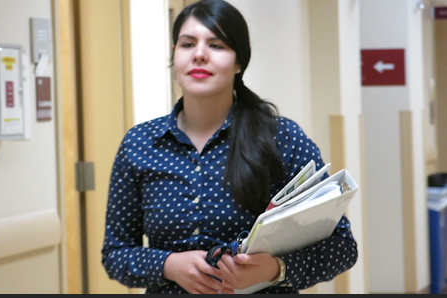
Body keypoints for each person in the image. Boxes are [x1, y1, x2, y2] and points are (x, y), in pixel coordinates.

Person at [101, 0, 358, 294]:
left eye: (217, 45)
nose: (199, 54)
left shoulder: (281, 138)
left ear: (238, 62)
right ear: (174, 54)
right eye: (187, 44)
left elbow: (342, 246)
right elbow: (116, 254)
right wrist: (168, 265)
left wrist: (276, 269)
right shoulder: (140, 144)